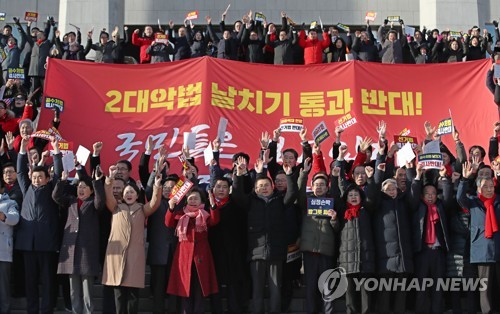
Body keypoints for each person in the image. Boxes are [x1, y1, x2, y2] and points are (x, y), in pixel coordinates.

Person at [231, 156, 298, 314]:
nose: (264, 188)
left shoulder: (279, 201)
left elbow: (293, 194)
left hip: (276, 252)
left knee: (275, 289)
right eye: (260, 186)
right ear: (255, 189)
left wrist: (289, 176)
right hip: (256, 254)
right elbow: (237, 196)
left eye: (267, 185)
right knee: (257, 290)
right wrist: (239, 176)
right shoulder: (250, 202)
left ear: (272, 187)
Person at [102, 165, 162, 313]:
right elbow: (108, 195)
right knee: (118, 294)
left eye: (132, 192)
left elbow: (154, 202)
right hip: (116, 256)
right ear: (122, 195)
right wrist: (109, 178)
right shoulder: (116, 207)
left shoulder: (142, 209)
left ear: (137, 195)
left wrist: (157, 186)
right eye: (127, 192)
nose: (129, 194)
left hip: (135, 256)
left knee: (133, 295)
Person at [15, 136, 62, 314]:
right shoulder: (27, 188)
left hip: (47, 244)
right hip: (27, 244)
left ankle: (47, 309)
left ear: (46, 178)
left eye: (40, 177)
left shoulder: (51, 190)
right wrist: (22, 149)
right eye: (34, 177)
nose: (36, 180)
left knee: (48, 281)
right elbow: (20, 172)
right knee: (30, 281)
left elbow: (57, 174)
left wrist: (56, 152)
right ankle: (32, 310)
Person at [52, 169, 105, 314]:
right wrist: (62, 181)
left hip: (87, 250)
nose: (80, 189)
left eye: (84, 187)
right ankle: (76, 310)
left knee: (87, 287)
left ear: (90, 190)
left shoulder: (93, 203)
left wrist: (96, 182)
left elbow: (101, 202)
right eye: (79, 187)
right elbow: (56, 196)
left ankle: (88, 311)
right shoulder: (71, 201)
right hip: (71, 250)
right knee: (73, 288)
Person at [165, 187, 220, 314]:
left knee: (199, 290)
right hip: (184, 256)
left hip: (201, 255)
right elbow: (168, 222)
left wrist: (212, 205)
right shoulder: (180, 214)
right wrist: (171, 207)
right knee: (185, 290)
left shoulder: (205, 215)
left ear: (201, 201)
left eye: (196, 198)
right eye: (190, 198)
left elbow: (215, 220)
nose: (193, 201)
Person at [297, 157, 339, 313]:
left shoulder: (332, 202)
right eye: (316, 185)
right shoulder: (306, 202)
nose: (319, 187)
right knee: (310, 287)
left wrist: (334, 219)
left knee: (327, 288)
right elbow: (299, 193)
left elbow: (337, 228)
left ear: (327, 188)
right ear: (312, 187)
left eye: (322, 185)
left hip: (326, 252)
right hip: (309, 251)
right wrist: (304, 174)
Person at [458, 162, 500, 314]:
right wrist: (464, 179)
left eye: (491, 186)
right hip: (482, 250)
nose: (489, 189)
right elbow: (460, 198)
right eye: (485, 186)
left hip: (498, 246)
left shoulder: (498, 200)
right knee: (485, 288)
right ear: (478, 188)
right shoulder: (473, 201)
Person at [0, 179, 19, 314]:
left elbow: (15, 219)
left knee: (3, 286)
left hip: (3, 251)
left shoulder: (10, 203)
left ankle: (5, 310)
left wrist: (3, 216)